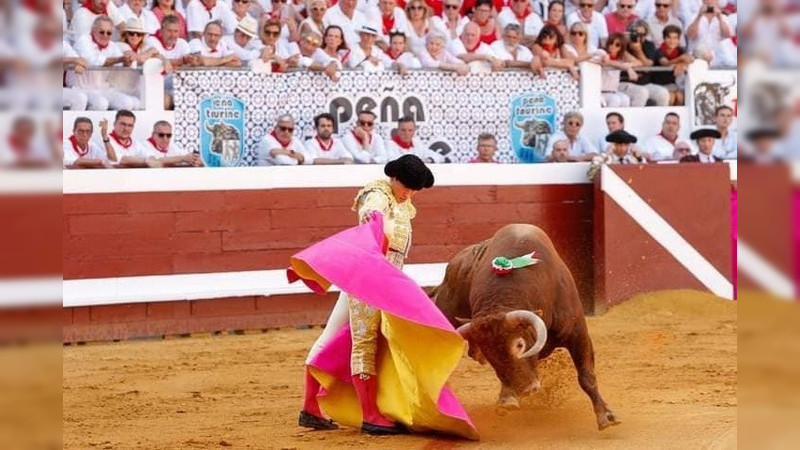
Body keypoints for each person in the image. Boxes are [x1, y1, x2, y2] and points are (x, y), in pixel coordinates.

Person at [299, 154, 436, 435]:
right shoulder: (377, 195)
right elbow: (372, 222)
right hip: (368, 278)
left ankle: (309, 409)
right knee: (365, 341)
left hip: (378, 279)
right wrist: (376, 227)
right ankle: (370, 414)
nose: (409, 193)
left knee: (332, 339)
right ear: (394, 177)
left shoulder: (402, 201)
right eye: (406, 186)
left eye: (413, 189)